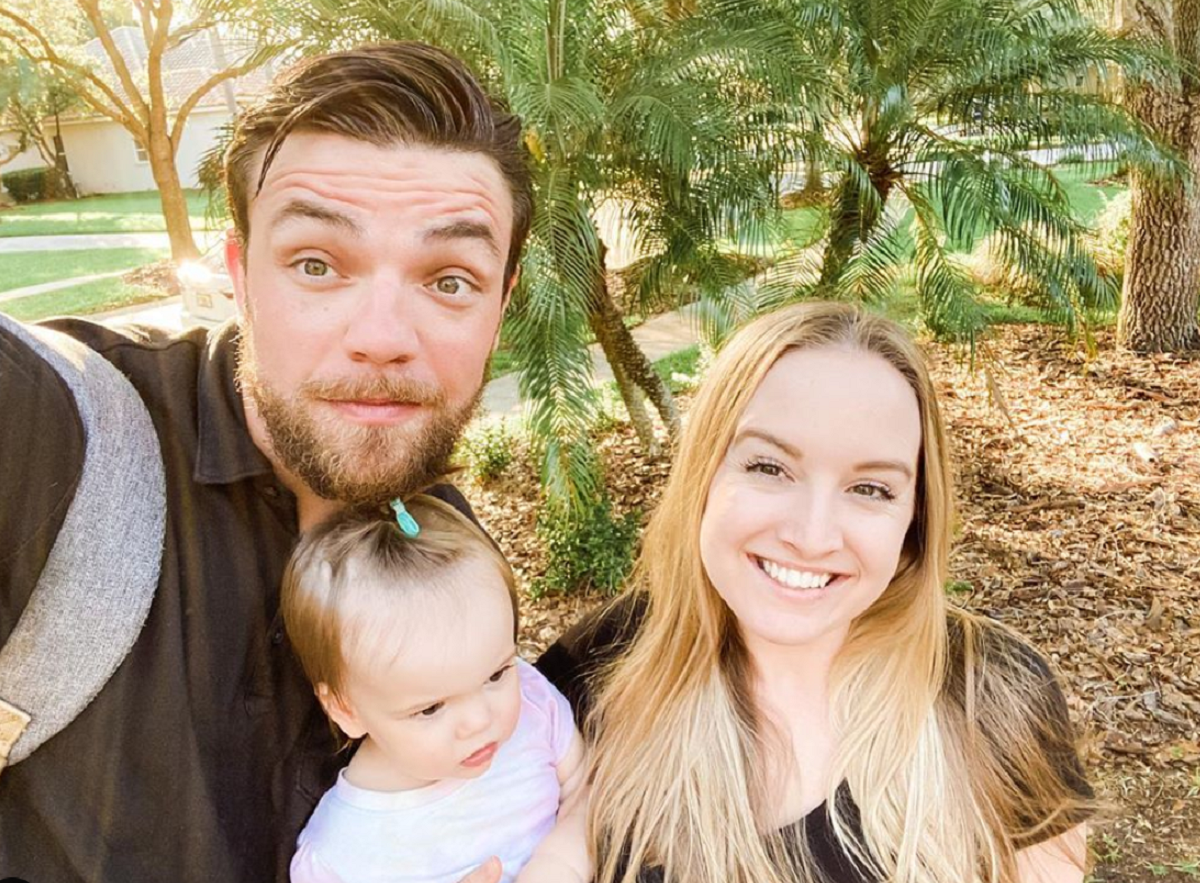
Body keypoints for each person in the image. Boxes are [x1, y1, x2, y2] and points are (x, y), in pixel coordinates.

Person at [0, 42, 531, 883]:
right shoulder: (58, 435)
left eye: (450, 279)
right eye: (317, 264)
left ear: (500, 308)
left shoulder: (440, 539)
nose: (384, 338)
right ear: (243, 278)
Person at [536, 301, 1095, 883]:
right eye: (770, 468)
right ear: (704, 473)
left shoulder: (991, 695)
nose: (811, 536)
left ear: (914, 517)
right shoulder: (590, 676)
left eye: (871, 488)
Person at [282, 496, 589, 883]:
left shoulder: (533, 705)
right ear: (346, 709)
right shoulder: (340, 858)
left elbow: (586, 786)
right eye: (430, 708)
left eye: (495, 675)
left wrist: (561, 864)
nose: (480, 720)